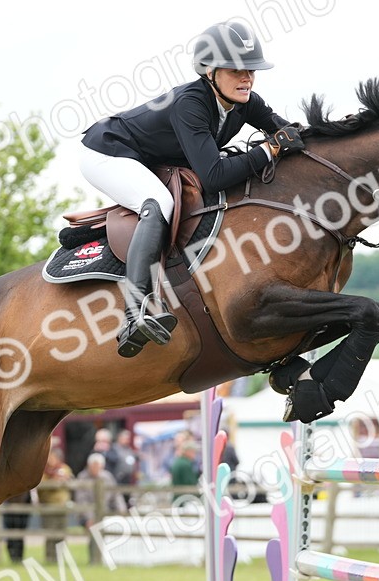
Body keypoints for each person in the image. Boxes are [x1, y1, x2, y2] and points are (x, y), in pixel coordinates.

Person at [79, 19, 303, 357]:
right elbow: (213, 175)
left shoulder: (247, 102)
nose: (247, 77)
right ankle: (134, 314)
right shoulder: (191, 104)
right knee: (158, 202)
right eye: (236, 70)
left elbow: (288, 133)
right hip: (107, 151)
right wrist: (269, 150)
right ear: (209, 71)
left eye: (252, 70)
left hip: (149, 157)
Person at [38, 448, 74, 563]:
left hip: (62, 507)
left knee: (61, 533)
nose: (50, 459)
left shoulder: (64, 468)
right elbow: (42, 485)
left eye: (52, 457)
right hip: (48, 506)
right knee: (50, 533)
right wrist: (55, 481)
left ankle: (61, 558)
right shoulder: (43, 471)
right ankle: (50, 558)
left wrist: (58, 481)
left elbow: (68, 480)